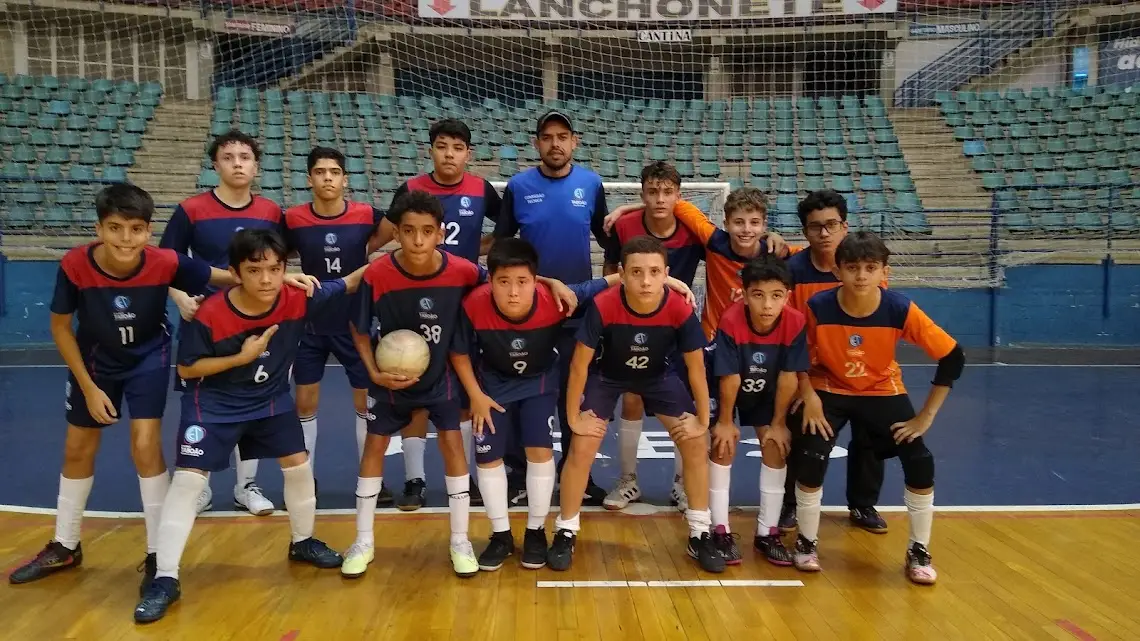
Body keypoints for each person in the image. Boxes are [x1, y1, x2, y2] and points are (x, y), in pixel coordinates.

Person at [7, 184, 246, 591]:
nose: (125, 238)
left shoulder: (164, 261)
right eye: (115, 228)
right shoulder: (75, 264)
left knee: (145, 445)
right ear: (99, 229)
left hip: (147, 358)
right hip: (95, 362)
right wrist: (88, 387)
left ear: (149, 231)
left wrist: (282, 279)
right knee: (78, 447)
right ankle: (66, 544)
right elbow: (60, 328)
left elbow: (226, 276)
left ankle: (157, 552)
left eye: (136, 229)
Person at [342, 191, 575, 579]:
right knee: (374, 447)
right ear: (395, 233)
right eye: (409, 231)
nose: (418, 239)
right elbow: (359, 329)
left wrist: (547, 280)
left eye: (427, 231)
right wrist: (373, 373)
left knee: (453, 446)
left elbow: (506, 276)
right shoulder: (377, 274)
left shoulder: (463, 271)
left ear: (441, 234)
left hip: (443, 378)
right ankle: (362, 541)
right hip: (390, 379)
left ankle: (460, 540)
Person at [133, 229, 355, 623]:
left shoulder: (297, 297)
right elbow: (187, 369)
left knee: (298, 464)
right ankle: (164, 578)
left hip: (269, 401)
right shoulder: (209, 314)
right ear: (235, 273)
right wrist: (241, 358)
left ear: (285, 269)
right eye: (254, 270)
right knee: (188, 482)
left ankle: (302, 542)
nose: (266, 279)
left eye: (275, 269)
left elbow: (350, 281)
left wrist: (398, 258)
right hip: (213, 405)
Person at [450, 238, 695, 571]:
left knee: (540, 451)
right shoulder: (474, 304)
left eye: (522, 281)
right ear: (489, 280)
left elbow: (604, 283)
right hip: (491, 387)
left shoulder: (556, 299)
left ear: (535, 281)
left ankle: (536, 531)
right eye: (503, 282)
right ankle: (501, 535)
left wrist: (666, 281)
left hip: (538, 383)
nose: (513, 292)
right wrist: (476, 396)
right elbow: (459, 353)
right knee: (488, 456)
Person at [794, 232, 964, 585]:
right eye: (852, 267)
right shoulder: (818, 307)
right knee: (811, 452)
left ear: (884, 272)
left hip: (881, 389)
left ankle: (919, 549)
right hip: (829, 386)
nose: (861, 276)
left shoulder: (899, 308)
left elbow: (952, 356)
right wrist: (809, 396)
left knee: (919, 459)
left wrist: (925, 417)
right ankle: (806, 541)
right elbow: (795, 356)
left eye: (870, 268)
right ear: (837, 271)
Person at [550, 235, 724, 574]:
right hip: (608, 376)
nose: (645, 281)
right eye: (636, 272)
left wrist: (703, 419)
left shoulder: (678, 308)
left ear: (666, 274)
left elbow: (696, 367)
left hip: (658, 376)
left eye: (654, 272)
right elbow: (579, 365)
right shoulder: (604, 304)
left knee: (695, 442)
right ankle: (566, 529)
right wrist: (573, 418)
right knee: (582, 444)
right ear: (622, 273)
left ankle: (700, 532)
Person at [374, 118, 500, 511]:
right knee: (412, 380)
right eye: (442, 146)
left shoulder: (481, 189)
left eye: (457, 148)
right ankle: (415, 480)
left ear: (468, 154)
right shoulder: (412, 188)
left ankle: (465, 478)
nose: (449, 154)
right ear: (431, 150)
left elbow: (508, 229)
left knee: (460, 394)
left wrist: (477, 251)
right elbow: (382, 236)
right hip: (415, 299)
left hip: (463, 298)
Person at [160, 129, 286, 516]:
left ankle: (246, 486)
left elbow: (276, 265)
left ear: (256, 166)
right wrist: (180, 297)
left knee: (254, 400)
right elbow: (165, 262)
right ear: (215, 165)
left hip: (256, 320)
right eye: (228, 157)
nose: (237, 164)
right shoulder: (191, 209)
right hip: (206, 322)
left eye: (244, 157)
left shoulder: (271, 212)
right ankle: (199, 485)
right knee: (199, 402)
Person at [493, 110, 610, 506]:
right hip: (527, 313)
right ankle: (518, 475)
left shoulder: (591, 184)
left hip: (577, 312)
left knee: (574, 395)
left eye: (562, 136)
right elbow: (503, 247)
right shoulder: (518, 186)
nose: (555, 144)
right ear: (536, 143)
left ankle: (578, 474)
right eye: (547, 137)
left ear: (574, 141)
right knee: (521, 392)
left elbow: (608, 239)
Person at [283, 146, 392, 504]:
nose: (327, 178)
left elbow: (390, 232)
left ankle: (371, 479)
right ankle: (304, 481)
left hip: (354, 322)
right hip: (309, 325)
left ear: (345, 179)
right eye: (320, 172)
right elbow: (274, 257)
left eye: (334, 172)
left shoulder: (365, 215)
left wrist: (366, 255)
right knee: (304, 403)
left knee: (365, 402)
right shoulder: (293, 219)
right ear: (309, 179)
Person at [779, 189, 888, 534]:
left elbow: (878, 323)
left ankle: (863, 503)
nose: (824, 233)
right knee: (806, 433)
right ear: (805, 231)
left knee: (872, 436)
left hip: (864, 371)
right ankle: (791, 502)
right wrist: (804, 386)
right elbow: (792, 334)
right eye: (815, 227)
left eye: (832, 224)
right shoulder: (793, 271)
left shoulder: (866, 269)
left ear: (845, 225)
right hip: (816, 375)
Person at [598, 161, 705, 512]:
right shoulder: (624, 225)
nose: (660, 199)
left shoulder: (692, 229)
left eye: (667, 192)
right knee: (632, 398)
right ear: (643, 193)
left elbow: (728, 249)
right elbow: (610, 269)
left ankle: (681, 483)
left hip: (677, 326)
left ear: (678, 196)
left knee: (683, 404)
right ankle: (628, 480)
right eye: (652, 192)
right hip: (633, 323)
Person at [707, 257, 807, 566]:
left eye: (776, 295)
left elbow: (789, 376)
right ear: (745, 294)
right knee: (723, 446)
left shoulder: (795, 321)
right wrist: (725, 421)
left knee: (775, 445)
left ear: (787, 296)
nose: (767, 304)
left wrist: (778, 423)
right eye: (758, 295)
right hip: (725, 385)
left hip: (767, 386)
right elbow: (729, 377)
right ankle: (719, 530)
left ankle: (767, 532)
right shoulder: (731, 319)